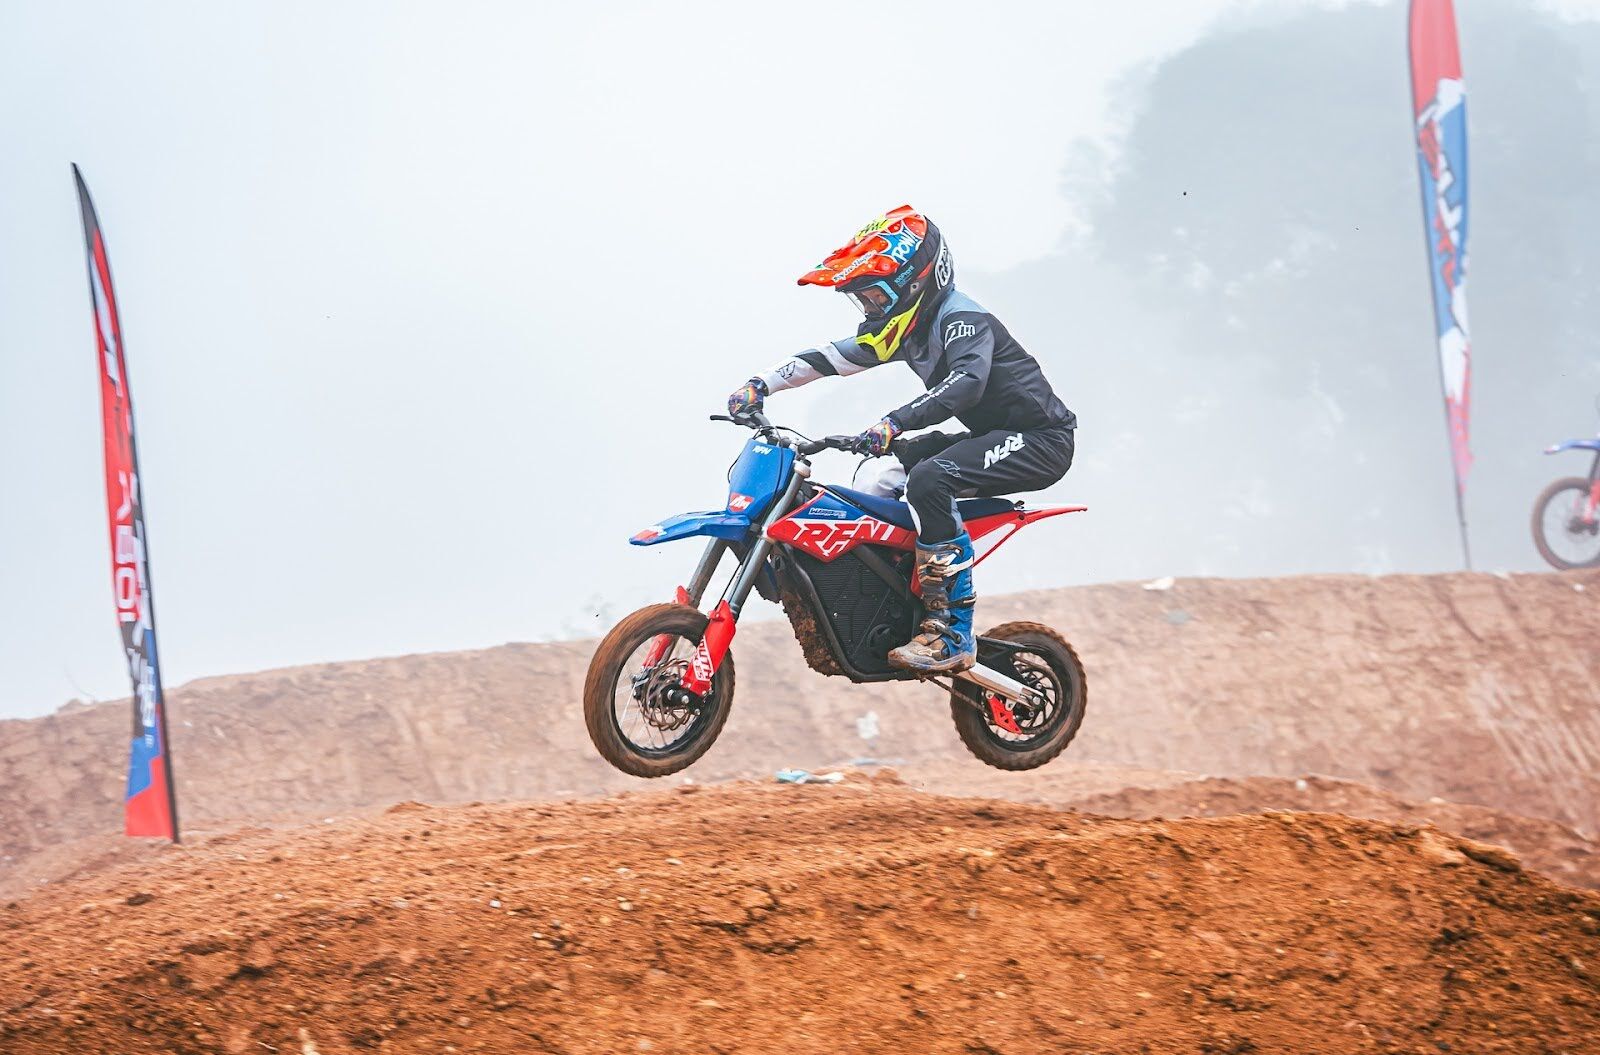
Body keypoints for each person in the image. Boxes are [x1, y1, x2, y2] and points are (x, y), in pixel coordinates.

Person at [727, 205, 1076, 673]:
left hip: (1040, 440)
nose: (868, 308)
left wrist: (894, 422)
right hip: (991, 435)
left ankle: (951, 631)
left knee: (931, 479)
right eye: (862, 299)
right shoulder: (904, 329)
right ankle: (883, 597)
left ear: (915, 282)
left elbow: (966, 383)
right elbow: (830, 358)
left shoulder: (963, 320)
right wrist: (761, 384)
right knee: (885, 473)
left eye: (872, 295)